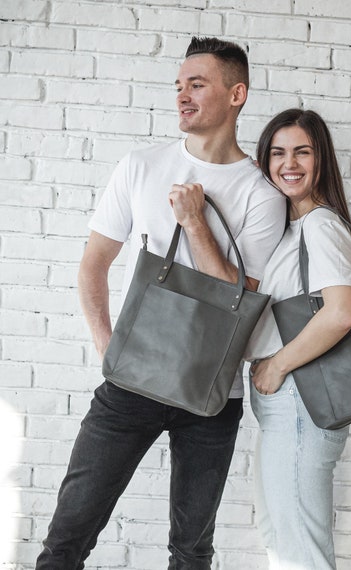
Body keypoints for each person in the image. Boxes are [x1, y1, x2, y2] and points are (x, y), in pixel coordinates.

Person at [36, 37, 286, 570]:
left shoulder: (261, 194)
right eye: (178, 86)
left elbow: (241, 303)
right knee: (66, 538)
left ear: (236, 93)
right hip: (130, 383)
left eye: (197, 85)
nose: (182, 96)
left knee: (192, 552)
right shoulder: (141, 166)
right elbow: (92, 266)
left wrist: (194, 221)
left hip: (210, 396)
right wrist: (110, 350)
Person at [246, 109, 351, 569]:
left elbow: (342, 312)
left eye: (301, 151)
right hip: (288, 406)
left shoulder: (320, 225)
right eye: (277, 152)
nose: (288, 163)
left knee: (301, 554)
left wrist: (276, 365)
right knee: (280, 539)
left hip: (300, 402)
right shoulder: (292, 227)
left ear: (321, 160)